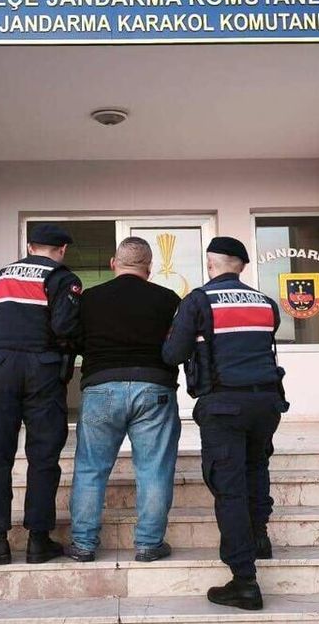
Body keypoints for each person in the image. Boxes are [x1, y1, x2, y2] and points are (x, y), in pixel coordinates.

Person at [162, 236, 287, 611]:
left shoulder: (199, 300)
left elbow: (172, 354)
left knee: (229, 487)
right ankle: (259, 538)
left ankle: (244, 581)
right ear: (242, 266)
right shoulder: (265, 303)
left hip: (224, 405)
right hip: (266, 402)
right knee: (256, 468)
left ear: (210, 264)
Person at [0, 223, 83, 566]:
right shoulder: (62, 278)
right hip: (42, 369)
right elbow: (64, 326)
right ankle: (38, 541)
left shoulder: (3, 275)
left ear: (30, 246)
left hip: (0, 369)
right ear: (62, 250)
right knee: (43, 454)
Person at [63, 237, 182, 564]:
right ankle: (148, 544)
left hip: (101, 387)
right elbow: (178, 344)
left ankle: (83, 545)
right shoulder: (168, 299)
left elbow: (75, 340)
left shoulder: (89, 299)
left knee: (90, 468)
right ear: (149, 268)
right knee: (154, 469)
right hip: (154, 387)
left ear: (114, 263)